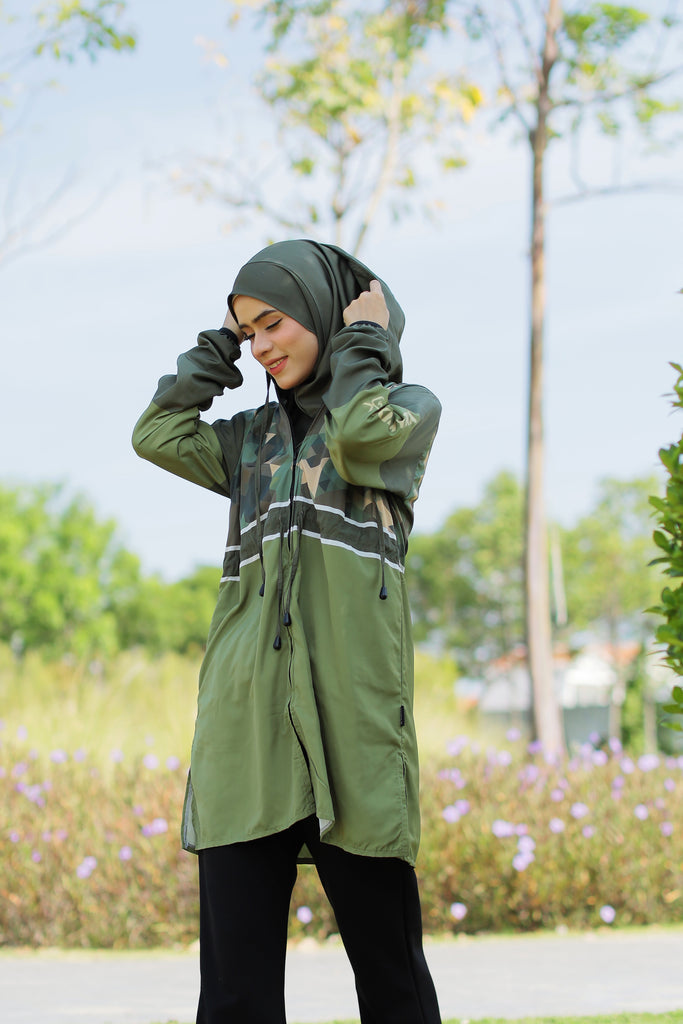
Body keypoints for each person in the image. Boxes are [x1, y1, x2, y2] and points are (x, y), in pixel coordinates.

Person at [132, 239, 442, 1024]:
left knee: (392, 981)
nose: (262, 347)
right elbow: (156, 433)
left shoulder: (404, 413)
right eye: (248, 333)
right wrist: (215, 350)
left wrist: (364, 343)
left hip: (353, 731)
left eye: (273, 323)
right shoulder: (246, 445)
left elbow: (358, 440)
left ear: (327, 313)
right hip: (246, 733)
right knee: (234, 994)